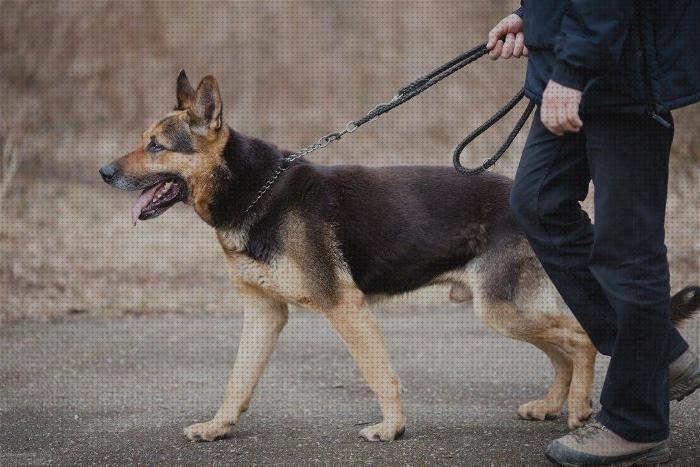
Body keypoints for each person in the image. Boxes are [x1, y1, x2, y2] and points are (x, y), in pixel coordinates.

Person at [487, 2, 700, 465]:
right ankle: (660, 354)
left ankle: (636, 423)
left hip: (621, 69)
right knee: (538, 203)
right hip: (577, 57)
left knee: (627, 249)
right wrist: (537, 16)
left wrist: (573, 67)